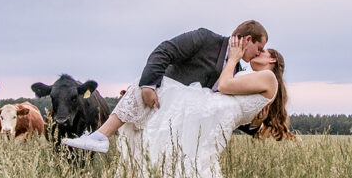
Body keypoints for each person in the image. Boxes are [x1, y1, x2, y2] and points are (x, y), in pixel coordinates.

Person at [63, 20, 269, 154]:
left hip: (183, 129)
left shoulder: (235, 71)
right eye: (258, 49)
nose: (257, 54)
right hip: (161, 104)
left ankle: (100, 136)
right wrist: (148, 85)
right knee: (137, 87)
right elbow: (164, 51)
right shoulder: (206, 39)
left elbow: (225, 110)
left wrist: (253, 126)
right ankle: (100, 136)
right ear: (248, 39)